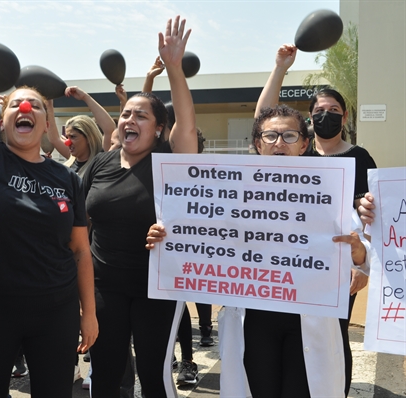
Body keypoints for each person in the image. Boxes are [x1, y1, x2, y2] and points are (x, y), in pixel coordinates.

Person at [148, 104, 370, 397]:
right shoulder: (232, 190)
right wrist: (166, 238)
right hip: (254, 319)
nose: (280, 143)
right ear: (257, 144)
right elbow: (200, 234)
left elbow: (363, 259)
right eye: (270, 136)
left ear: (304, 144)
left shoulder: (329, 190)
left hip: (308, 321)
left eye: (290, 136)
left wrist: (357, 250)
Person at [0, 35, 98, 398]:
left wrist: (88, 313)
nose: (25, 107)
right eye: (16, 105)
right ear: (3, 120)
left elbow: (81, 251)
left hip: (56, 310)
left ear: (46, 123)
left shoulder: (67, 178)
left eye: (36, 105)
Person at [83, 16, 197, 397]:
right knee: (106, 375)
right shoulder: (100, 163)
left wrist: (175, 68)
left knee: (154, 377)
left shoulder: (170, 159)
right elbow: (80, 226)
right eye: (126, 113)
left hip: (157, 292)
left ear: (160, 129)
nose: (129, 118)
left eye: (141, 115)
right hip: (104, 290)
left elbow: (186, 121)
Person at [255, 44, 377, 395]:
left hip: (337, 259)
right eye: (320, 110)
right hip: (288, 264)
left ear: (345, 116)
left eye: (334, 110)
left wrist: (361, 260)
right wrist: (279, 67)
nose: (327, 115)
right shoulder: (294, 153)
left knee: (331, 335)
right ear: (308, 123)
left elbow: (369, 210)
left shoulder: (359, 157)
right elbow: (263, 121)